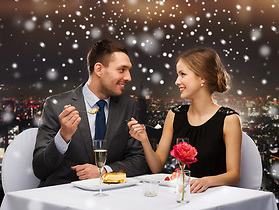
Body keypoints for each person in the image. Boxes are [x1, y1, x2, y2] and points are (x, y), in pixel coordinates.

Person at [33, 39, 147, 187]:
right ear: (99, 69)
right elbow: (40, 169)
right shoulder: (56, 105)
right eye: (121, 69)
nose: (128, 77)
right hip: (64, 197)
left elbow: (138, 161)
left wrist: (105, 172)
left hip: (111, 198)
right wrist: (63, 136)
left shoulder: (128, 105)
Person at [128, 47, 242, 193]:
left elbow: (234, 175)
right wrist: (144, 139)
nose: (177, 81)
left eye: (182, 74)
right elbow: (156, 167)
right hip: (182, 194)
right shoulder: (174, 115)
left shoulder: (229, 120)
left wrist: (207, 181)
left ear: (202, 77)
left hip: (214, 197)